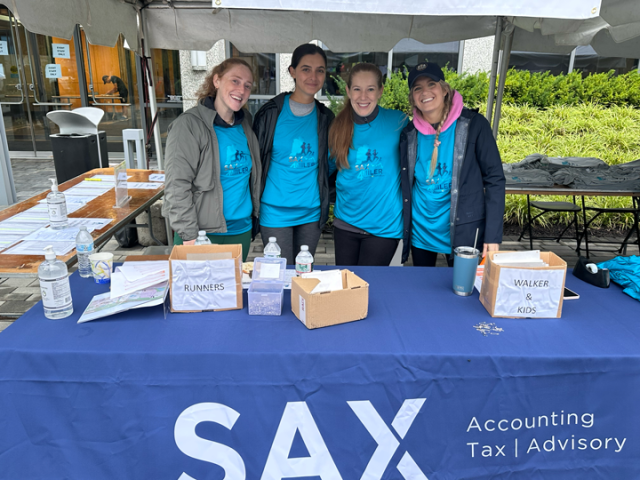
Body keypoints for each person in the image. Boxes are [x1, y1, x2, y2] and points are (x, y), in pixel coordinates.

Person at [399, 62, 505, 267]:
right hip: (421, 232)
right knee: (423, 285)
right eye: (417, 88)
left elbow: (495, 180)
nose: (425, 92)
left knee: (463, 286)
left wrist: (492, 236)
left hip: (464, 230)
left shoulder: (474, 125)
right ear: (412, 97)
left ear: (445, 89)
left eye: (431, 84)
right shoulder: (409, 134)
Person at [162, 58, 262, 262]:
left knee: (234, 283)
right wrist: (189, 235)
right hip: (201, 235)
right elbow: (176, 185)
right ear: (216, 80)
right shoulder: (188, 125)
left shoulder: (245, 123)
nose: (241, 90)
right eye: (235, 81)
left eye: (247, 85)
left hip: (240, 230)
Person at [253, 44, 334, 264]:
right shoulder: (270, 114)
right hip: (274, 211)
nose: (313, 76)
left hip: (311, 212)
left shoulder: (326, 118)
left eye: (320, 70)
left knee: (303, 272)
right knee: (280, 272)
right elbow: (256, 161)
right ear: (292, 71)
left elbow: (330, 164)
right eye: (306, 69)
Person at [328, 63, 408, 266]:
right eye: (357, 89)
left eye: (370, 89)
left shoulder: (398, 122)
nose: (363, 96)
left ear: (380, 91)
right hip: (345, 223)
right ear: (348, 91)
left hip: (384, 227)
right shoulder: (337, 126)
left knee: (368, 283)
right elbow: (327, 170)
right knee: (346, 283)